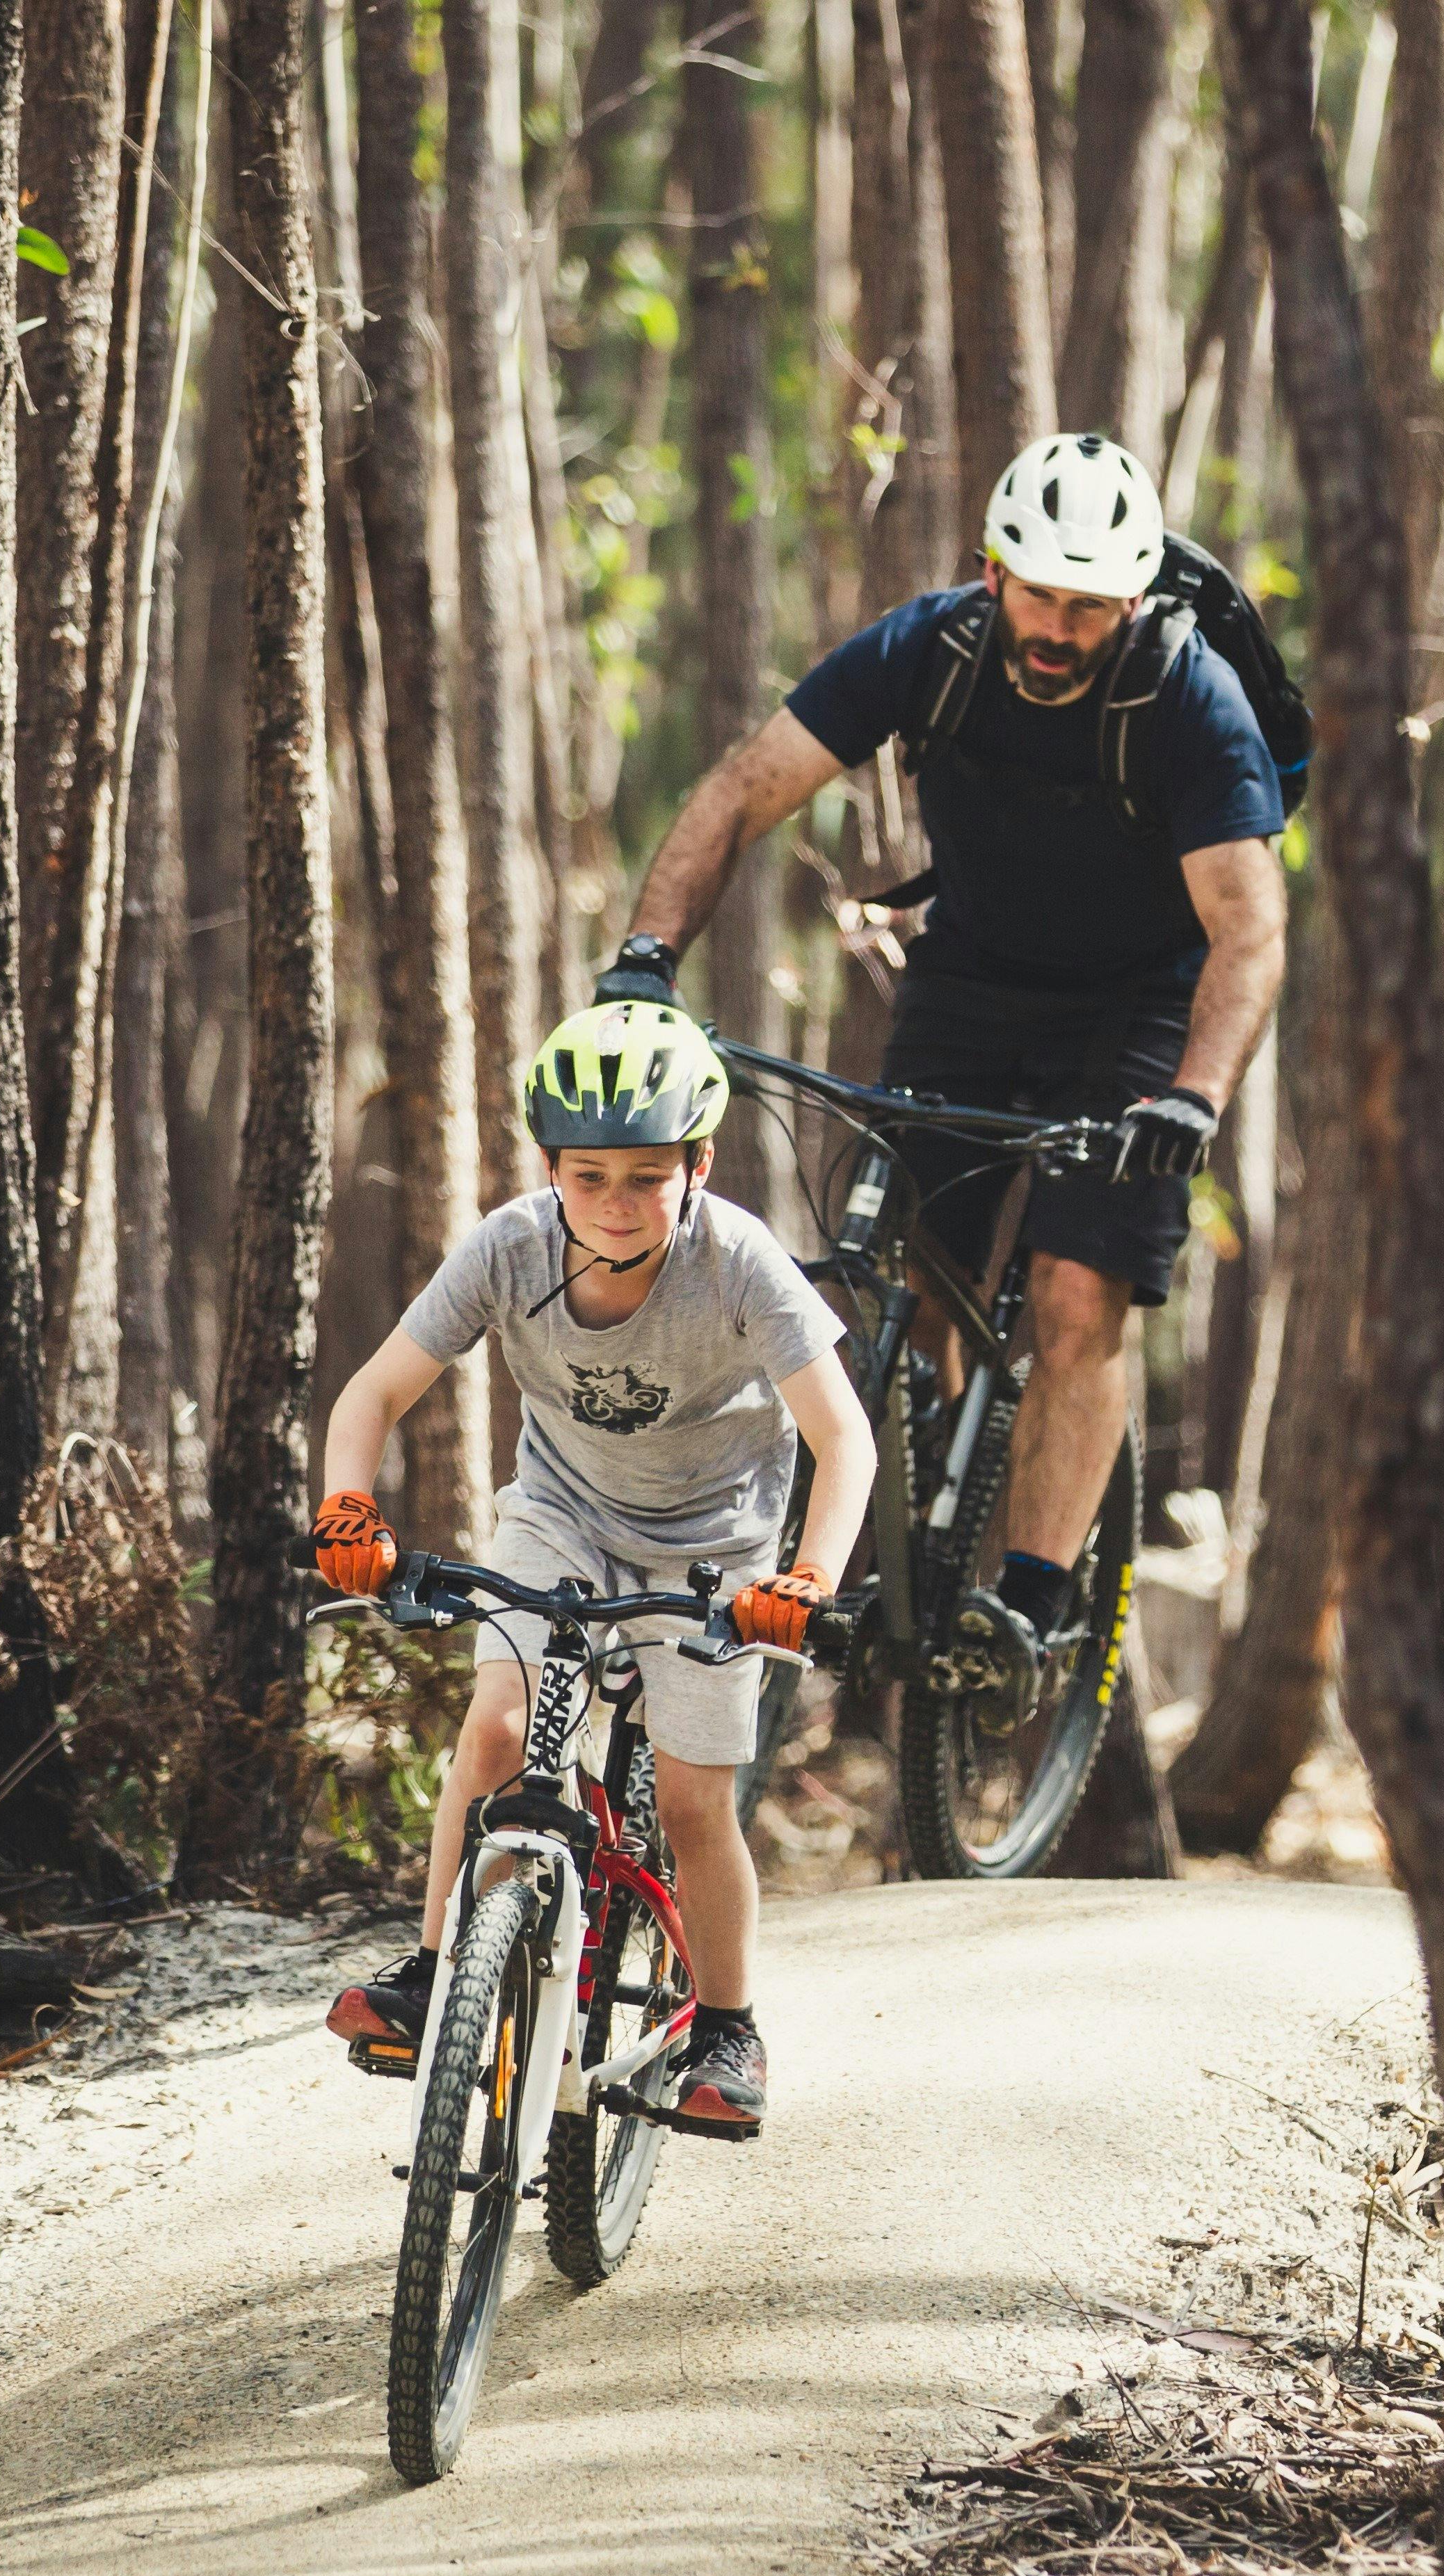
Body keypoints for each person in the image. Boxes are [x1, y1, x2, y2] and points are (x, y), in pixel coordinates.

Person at [593, 432, 1290, 1707]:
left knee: (1079, 1301)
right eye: (1038, 594)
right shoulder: (933, 649)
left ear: (1130, 603)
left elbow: (1247, 929)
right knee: (913, 1269)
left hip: (1140, 1012)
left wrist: (1193, 1097)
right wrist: (646, 957)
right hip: (970, 982)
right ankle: (926, 1496)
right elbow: (748, 790)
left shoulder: (1191, 704)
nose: (1058, 628)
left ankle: (1024, 1603)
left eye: (1087, 606)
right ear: (992, 573)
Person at [313, 1001, 876, 2139]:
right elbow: (372, 1394)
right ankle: (435, 1976)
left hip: (716, 1547)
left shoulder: (738, 1265)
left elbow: (844, 1440)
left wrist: (805, 1582)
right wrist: (346, 1511)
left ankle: (727, 2025)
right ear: (550, 1169)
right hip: (563, 1517)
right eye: (590, 1176)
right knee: (498, 1727)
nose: (617, 1203)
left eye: (647, 1178)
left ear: (699, 1168)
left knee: (691, 1797)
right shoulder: (513, 1248)